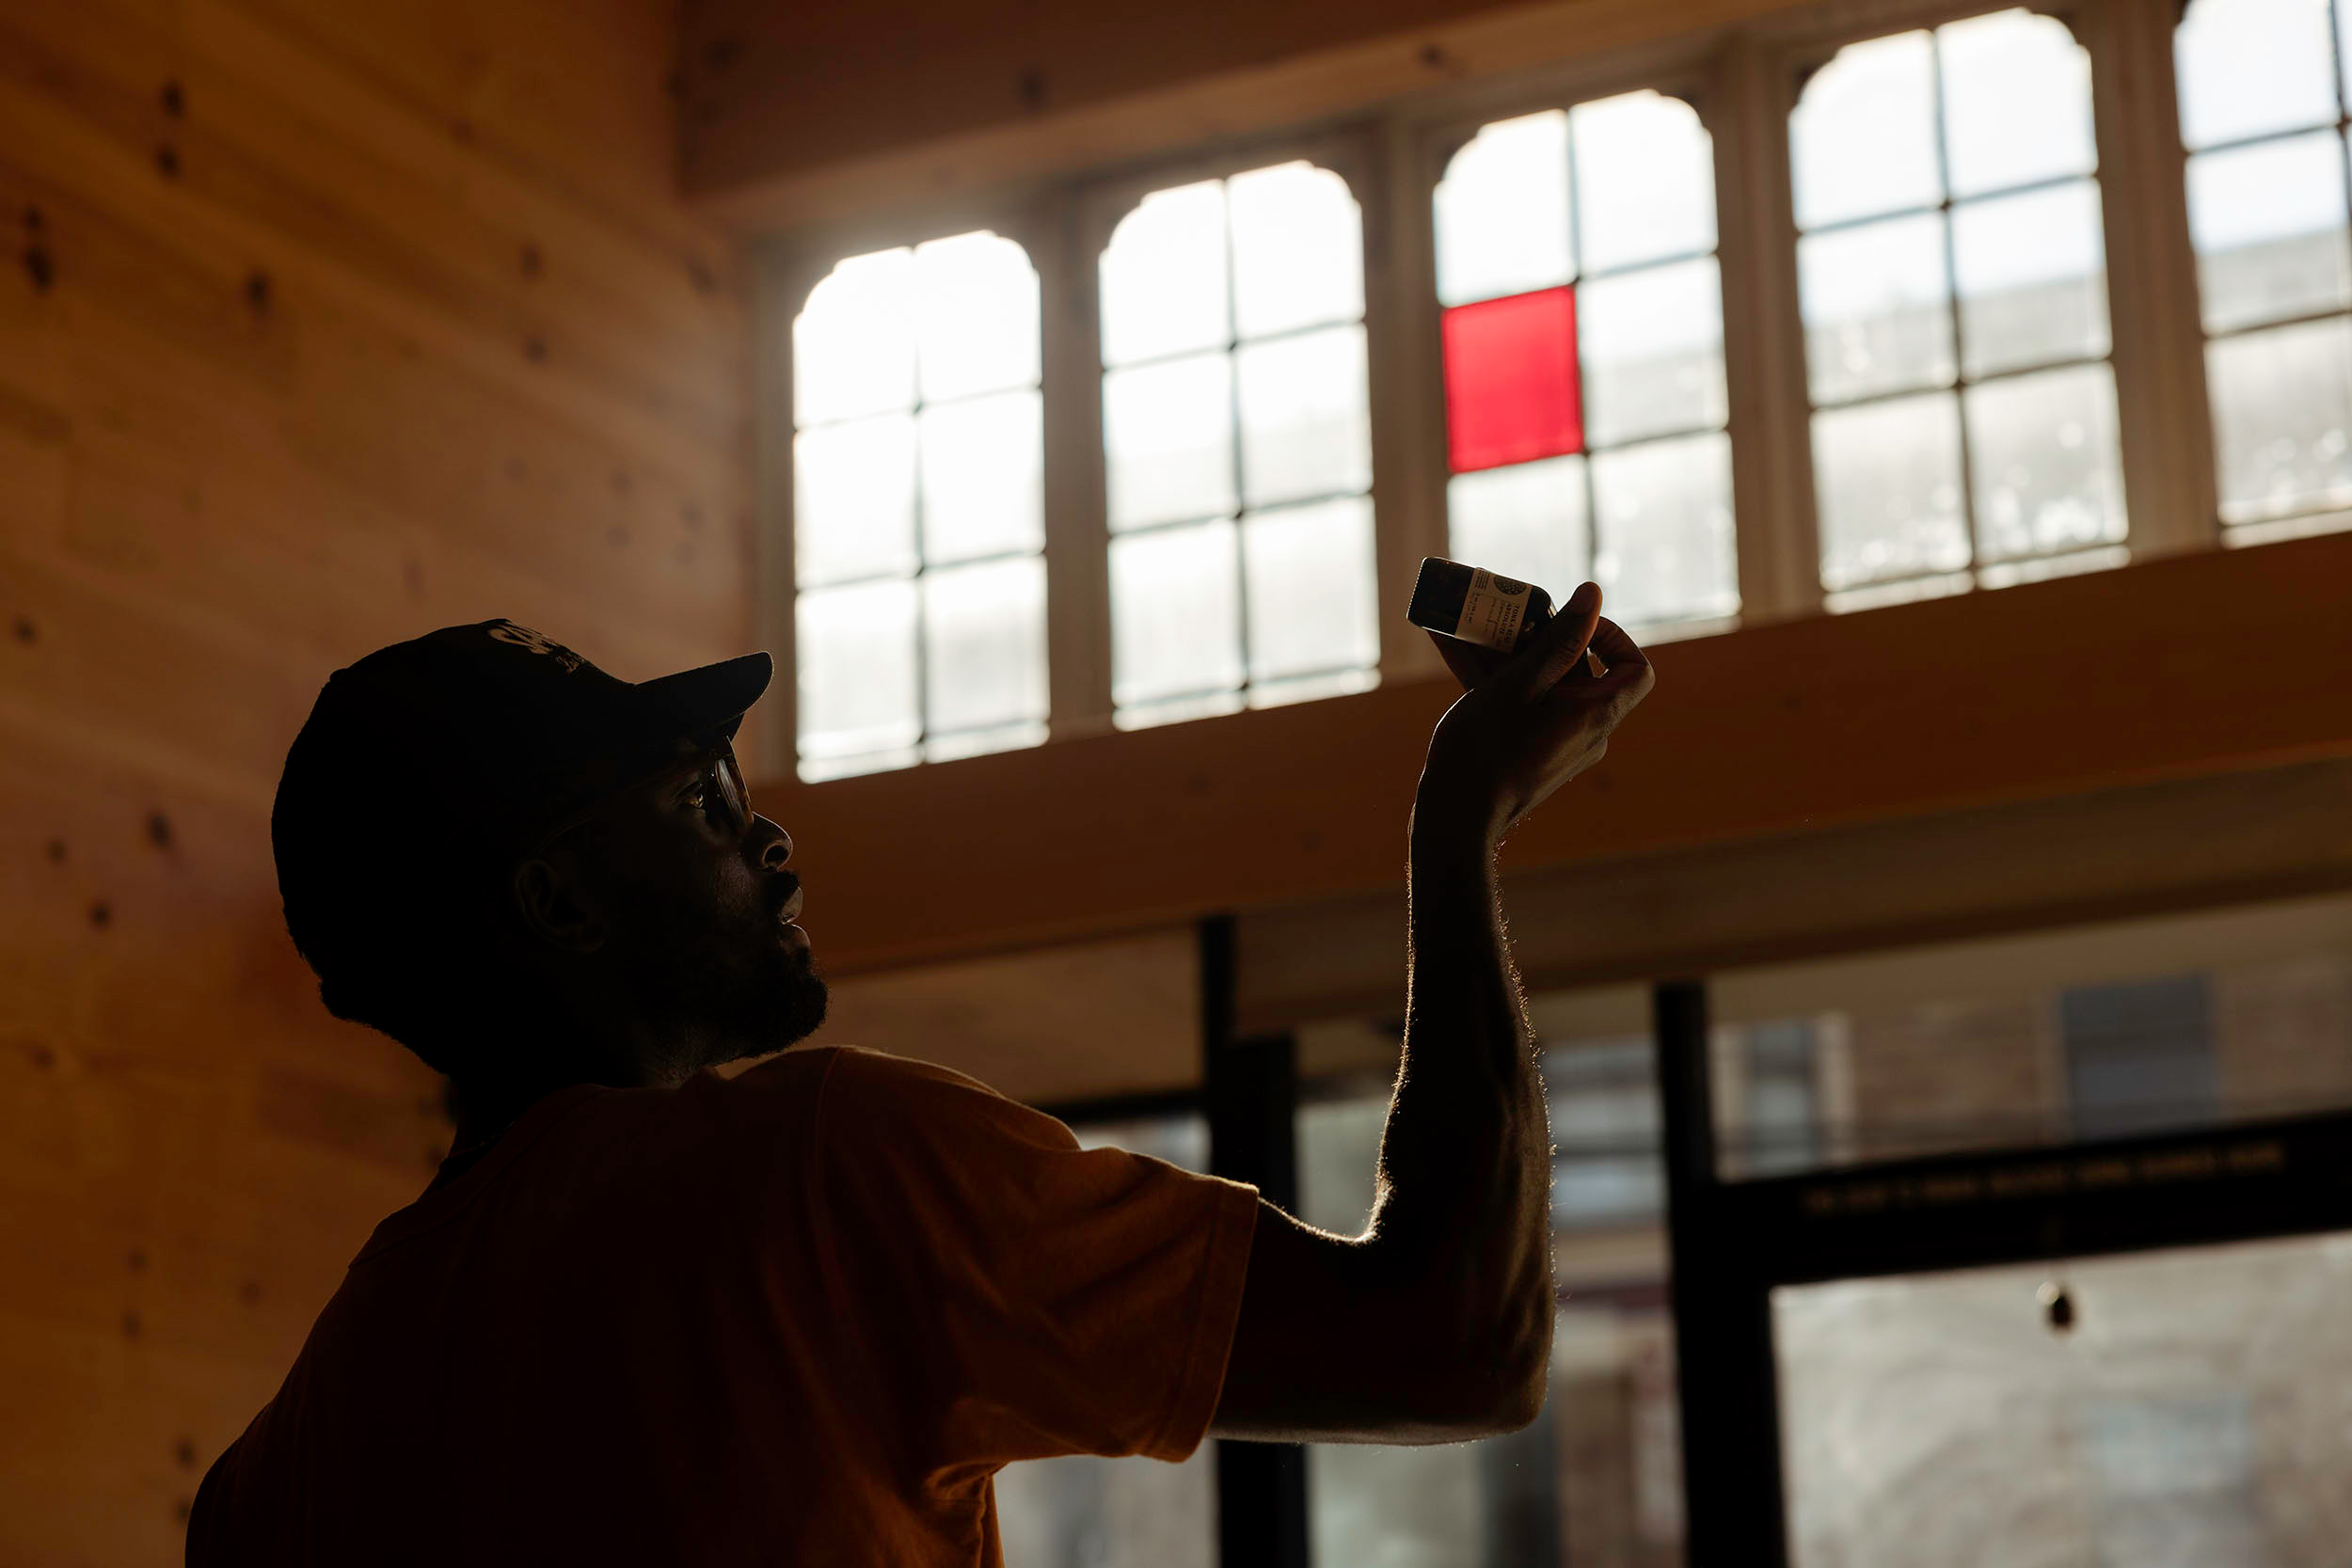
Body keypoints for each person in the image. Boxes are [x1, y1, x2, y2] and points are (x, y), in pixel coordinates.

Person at [189, 585, 1653, 1566]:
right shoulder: (822, 1174)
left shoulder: (274, 1481)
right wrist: (1461, 820)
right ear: (560, 903)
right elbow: (1457, 1338)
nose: (769, 840)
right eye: (701, 803)